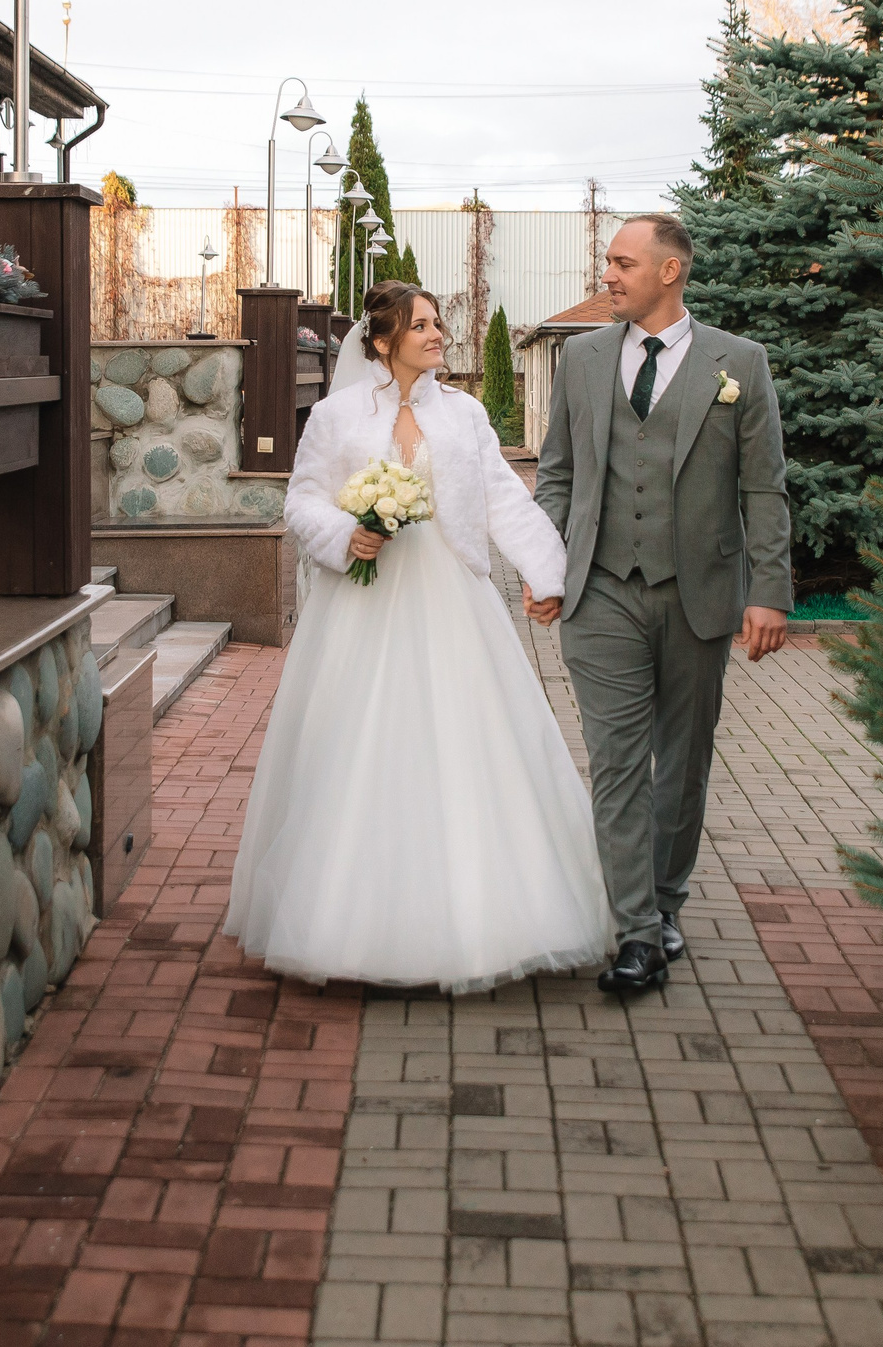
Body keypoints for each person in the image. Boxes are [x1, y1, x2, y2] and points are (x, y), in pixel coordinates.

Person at [223, 282, 614, 993]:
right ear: (382, 342)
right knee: (362, 749)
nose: (438, 335)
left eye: (438, 323)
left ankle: (483, 915)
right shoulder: (338, 416)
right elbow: (302, 499)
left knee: (467, 746)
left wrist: (548, 573)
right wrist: (348, 533)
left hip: (451, 597)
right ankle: (351, 921)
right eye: (422, 325)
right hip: (363, 607)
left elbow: (502, 496)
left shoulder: (463, 414)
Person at [530, 215, 792, 995]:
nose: (607, 274)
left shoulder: (738, 363)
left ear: (669, 271)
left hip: (698, 595)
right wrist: (547, 564)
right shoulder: (580, 358)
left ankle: (667, 899)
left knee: (681, 764)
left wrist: (770, 591)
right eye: (607, 262)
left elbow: (763, 487)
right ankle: (638, 931)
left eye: (622, 262)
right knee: (616, 764)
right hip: (602, 588)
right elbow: (557, 474)